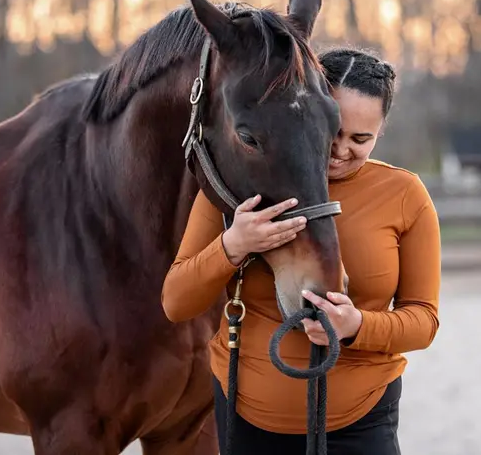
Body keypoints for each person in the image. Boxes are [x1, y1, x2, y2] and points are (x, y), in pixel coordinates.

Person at [161, 47, 441, 455]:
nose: (340, 150)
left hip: (362, 424)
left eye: (361, 139)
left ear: (381, 131)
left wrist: (356, 325)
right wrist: (232, 246)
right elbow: (175, 302)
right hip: (244, 419)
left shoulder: (405, 195)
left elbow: (424, 321)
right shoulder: (241, 181)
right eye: (333, 131)